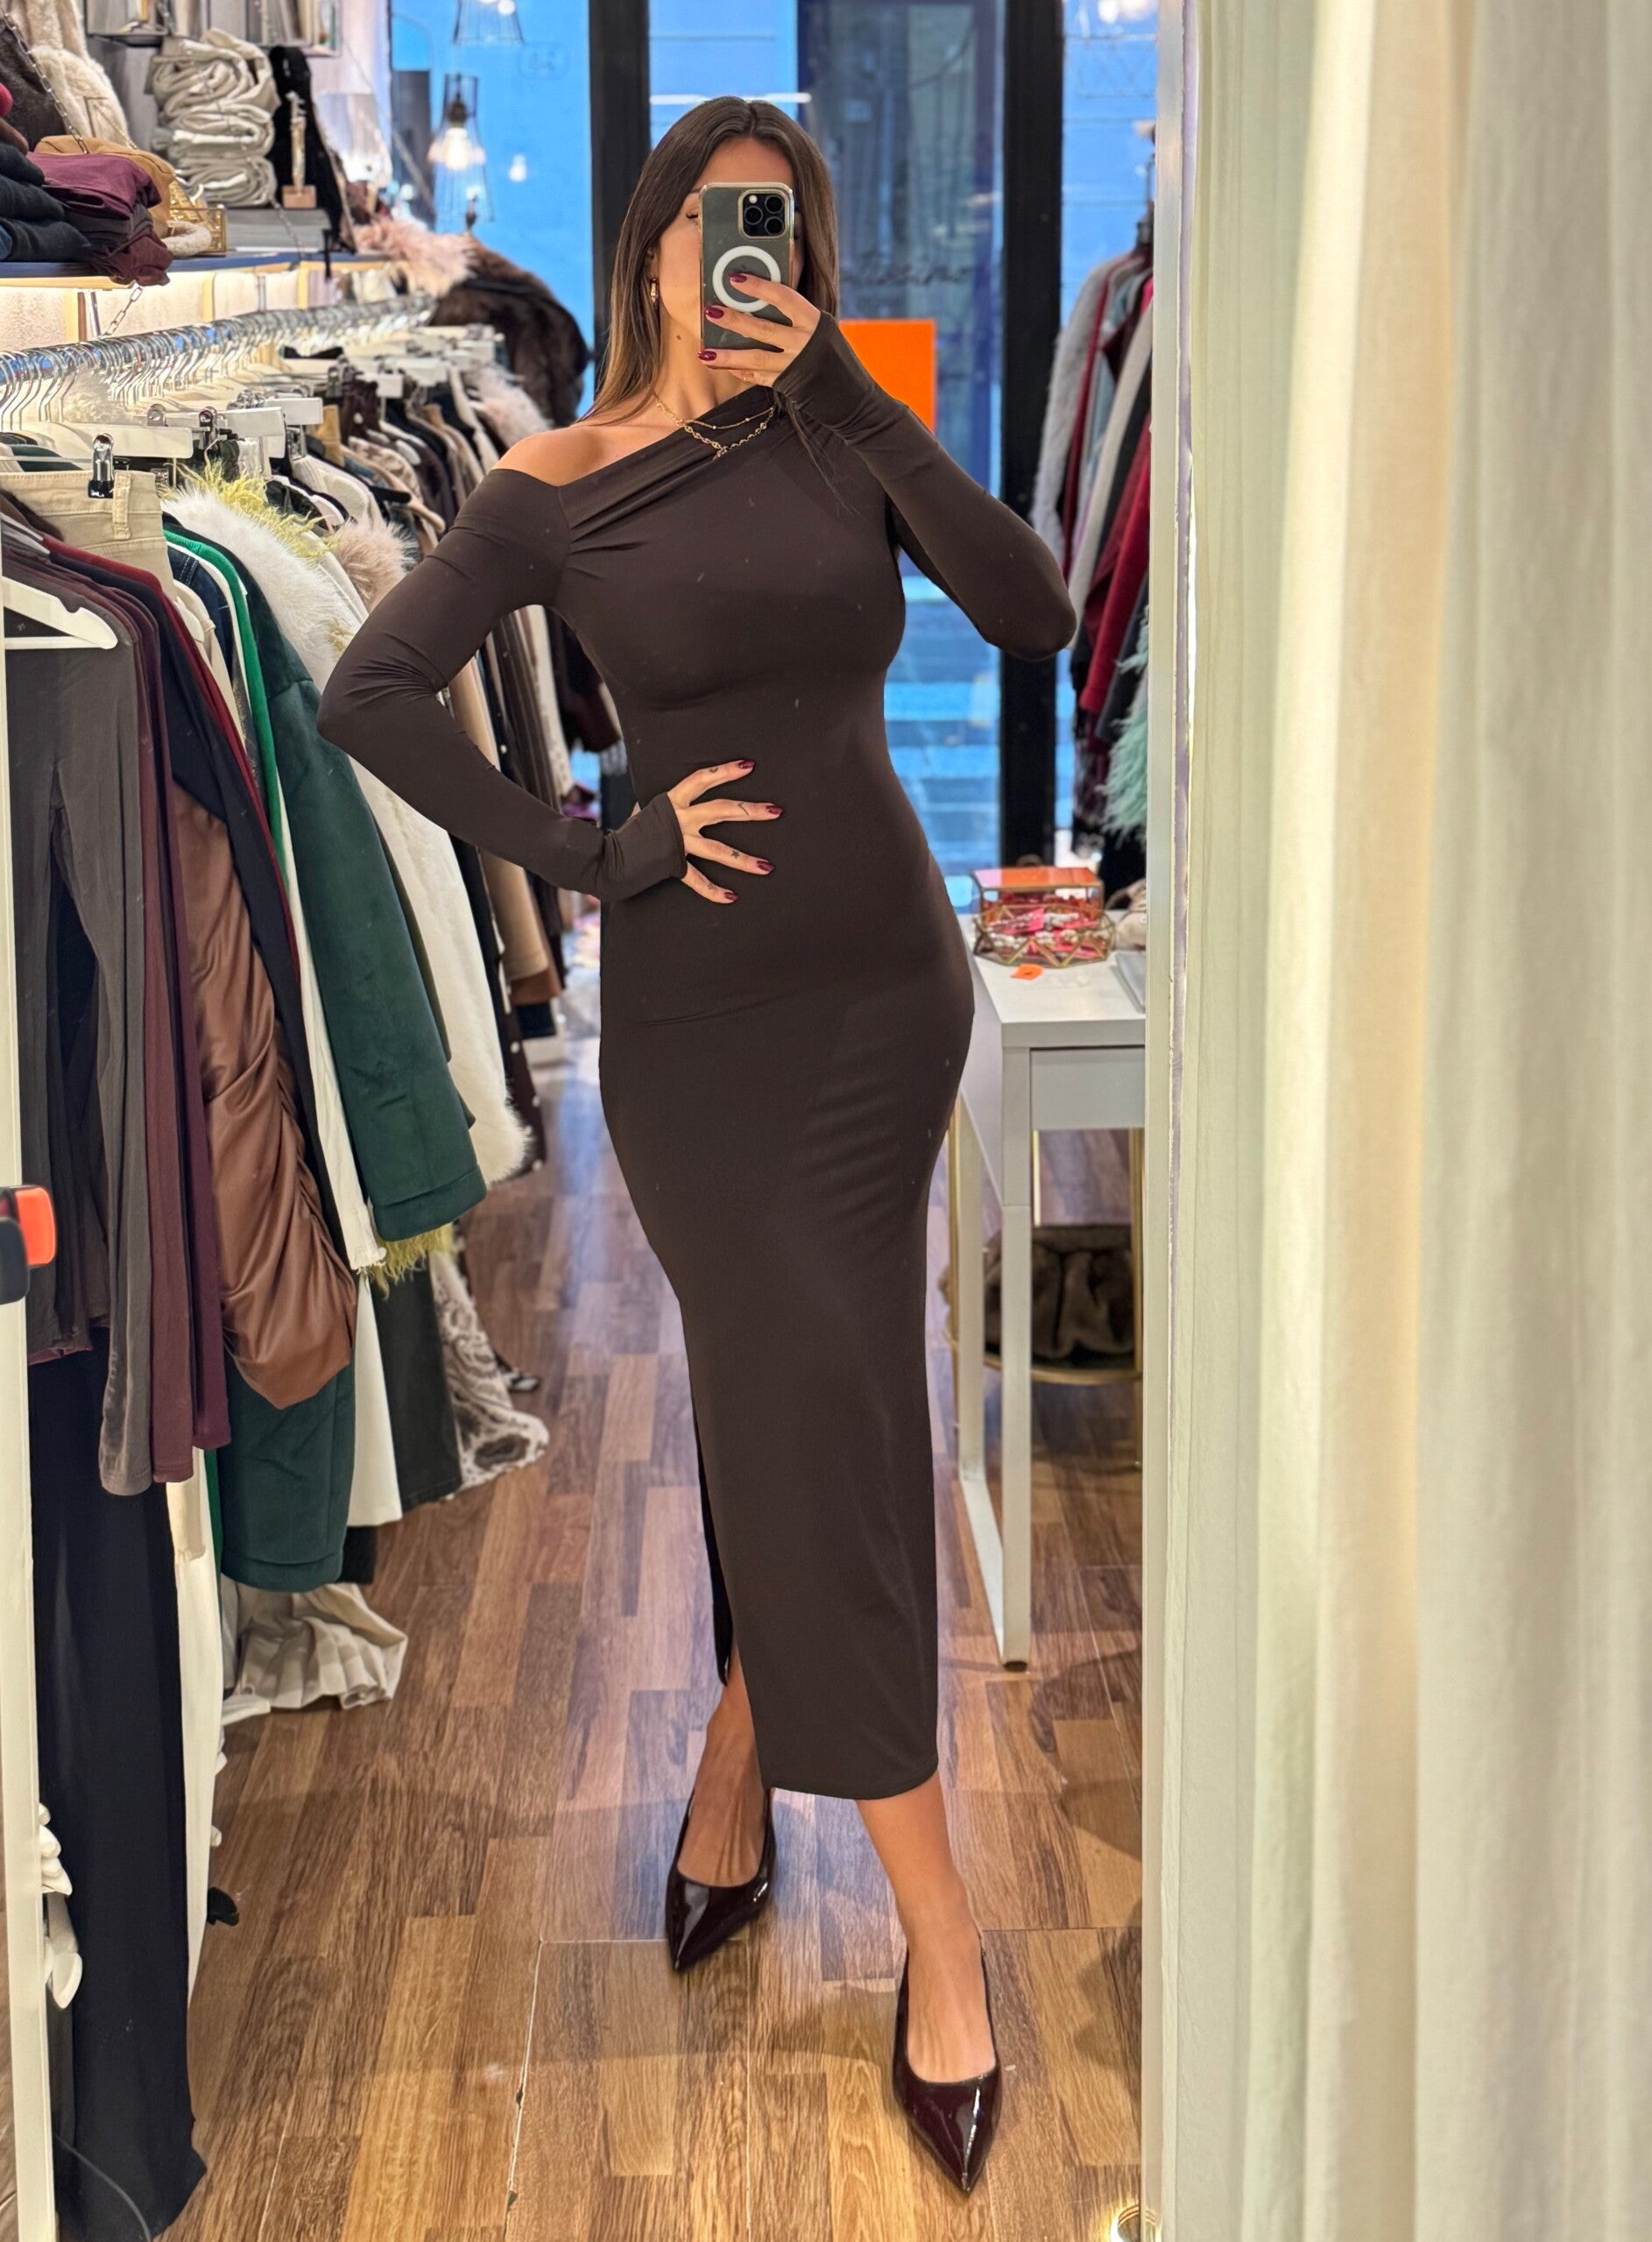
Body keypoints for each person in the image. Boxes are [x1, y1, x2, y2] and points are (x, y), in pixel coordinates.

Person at [318, 95, 1074, 2195]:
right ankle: (942, 1928)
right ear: (655, 243)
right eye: (727, 222)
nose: (757, 254)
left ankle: (742, 1757)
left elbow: (1030, 612)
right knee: (821, 1406)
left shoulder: (845, 434)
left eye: (788, 226)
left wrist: (853, 390)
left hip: (886, 999)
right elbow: (369, 693)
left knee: (809, 1411)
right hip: (705, 1034)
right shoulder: (550, 484)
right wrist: (590, 846)